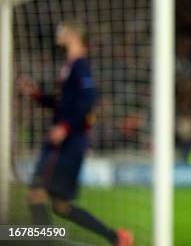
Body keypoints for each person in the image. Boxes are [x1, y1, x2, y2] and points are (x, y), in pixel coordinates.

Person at [18, 20, 133, 246]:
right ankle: (116, 237)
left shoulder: (80, 66)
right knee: (60, 206)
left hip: (68, 142)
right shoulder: (69, 66)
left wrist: (65, 127)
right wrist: (37, 94)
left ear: (73, 35)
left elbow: (86, 102)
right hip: (64, 140)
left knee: (36, 193)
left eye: (63, 29)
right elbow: (64, 104)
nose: (58, 32)